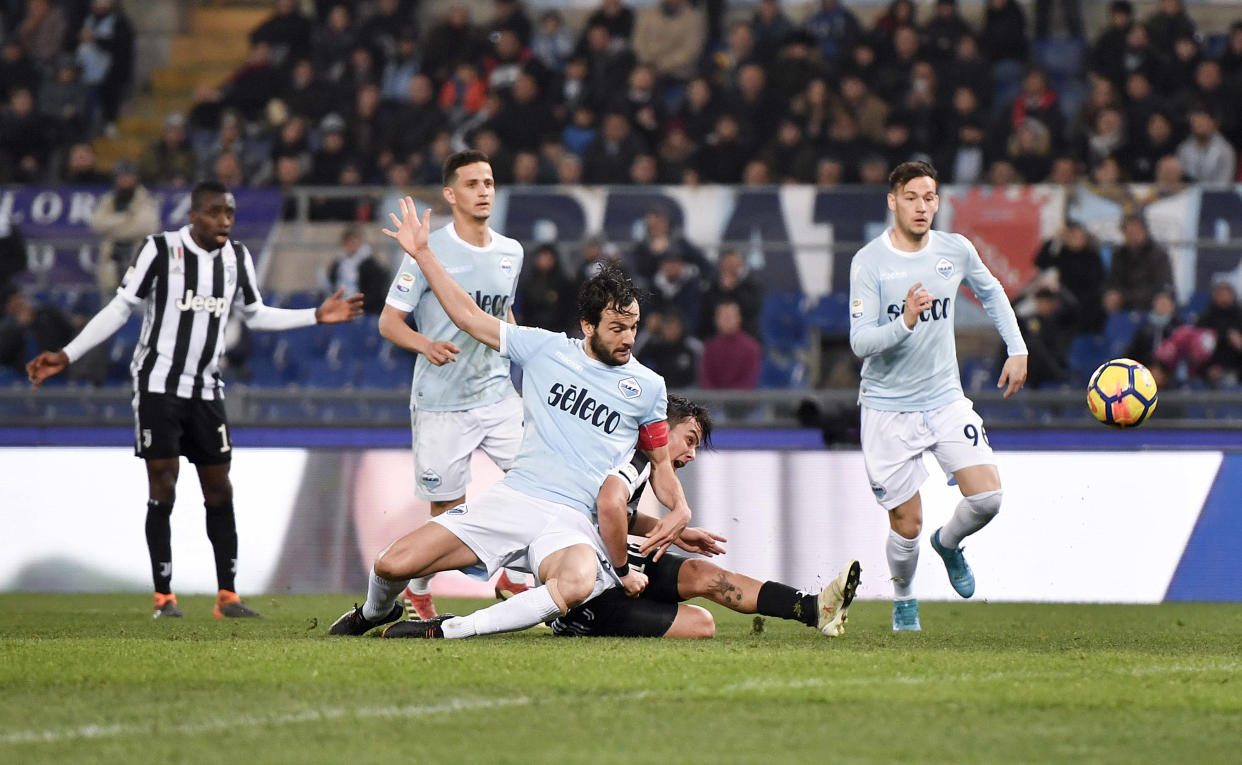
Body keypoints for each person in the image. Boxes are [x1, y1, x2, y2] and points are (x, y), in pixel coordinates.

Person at [331, 205, 692, 640]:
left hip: (573, 521)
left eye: (633, 327)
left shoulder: (649, 386)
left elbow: (661, 464)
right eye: (617, 328)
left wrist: (681, 507)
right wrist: (425, 255)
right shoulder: (544, 349)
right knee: (390, 564)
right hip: (514, 499)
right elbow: (468, 317)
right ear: (587, 325)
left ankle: (447, 630)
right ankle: (373, 613)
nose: (629, 338)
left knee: (576, 583)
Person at [26, 181, 364, 619]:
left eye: (229, 213)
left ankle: (228, 597)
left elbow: (255, 314)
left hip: (206, 388)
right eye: (215, 212)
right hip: (158, 386)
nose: (224, 220)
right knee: (163, 482)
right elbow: (120, 307)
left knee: (219, 488)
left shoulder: (236, 258)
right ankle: (164, 596)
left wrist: (315, 314)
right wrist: (68, 353)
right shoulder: (159, 250)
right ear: (193, 215)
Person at [848, 161, 1028, 631]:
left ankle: (947, 544)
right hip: (887, 407)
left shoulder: (956, 250)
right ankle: (904, 597)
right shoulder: (869, 262)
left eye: (930, 197)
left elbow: (992, 294)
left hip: (945, 397)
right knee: (906, 526)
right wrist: (905, 320)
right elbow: (860, 343)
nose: (922, 206)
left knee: (988, 498)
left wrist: (1017, 348)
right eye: (912, 197)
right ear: (893, 201)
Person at [551, 394, 863, 639]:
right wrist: (623, 571)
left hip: (605, 564)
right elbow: (607, 506)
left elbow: (614, 513)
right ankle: (575, 618)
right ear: (662, 430)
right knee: (701, 625)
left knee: (703, 573)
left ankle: (813, 608)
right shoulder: (630, 456)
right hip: (593, 579)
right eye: (689, 440)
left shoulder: (638, 460)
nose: (691, 454)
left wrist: (672, 531)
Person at [376, 151, 530, 620]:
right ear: (450, 194)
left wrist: (523, 354)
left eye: (488, 182)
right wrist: (425, 344)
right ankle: (418, 590)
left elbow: (501, 315)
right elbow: (388, 322)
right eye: (472, 184)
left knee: (542, 479)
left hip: (499, 396)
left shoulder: (511, 251)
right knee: (448, 515)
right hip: (442, 402)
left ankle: (507, 573)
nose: (484, 191)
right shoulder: (428, 251)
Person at [89, 160, 159, 298]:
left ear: (136, 178)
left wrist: (113, 228)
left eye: (129, 176)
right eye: (122, 177)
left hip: (136, 264)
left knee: (140, 312)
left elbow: (145, 227)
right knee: (110, 312)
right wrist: (126, 218)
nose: (125, 180)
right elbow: (96, 224)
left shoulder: (145, 199)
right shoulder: (108, 200)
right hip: (112, 266)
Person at [321, 225, 388, 315]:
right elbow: (332, 284)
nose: (353, 245)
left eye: (355, 242)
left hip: (365, 310)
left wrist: (358, 303)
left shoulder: (370, 264)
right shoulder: (338, 263)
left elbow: (375, 291)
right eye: (350, 242)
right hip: (342, 307)